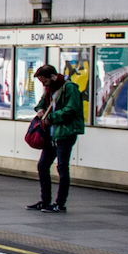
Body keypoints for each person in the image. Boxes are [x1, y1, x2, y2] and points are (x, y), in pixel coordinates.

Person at [31, 63, 85, 213]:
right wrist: (40, 109)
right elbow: (41, 104)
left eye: (45, 81)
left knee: (62, 167)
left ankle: (60, 203)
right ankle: (45, 200)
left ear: (53, 77)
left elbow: (71, 109)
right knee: (42, 166)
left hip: (65, 133)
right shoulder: (50, 89)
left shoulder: (70, 88)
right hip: (51, 134)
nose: (44, 85)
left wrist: (52, 117)